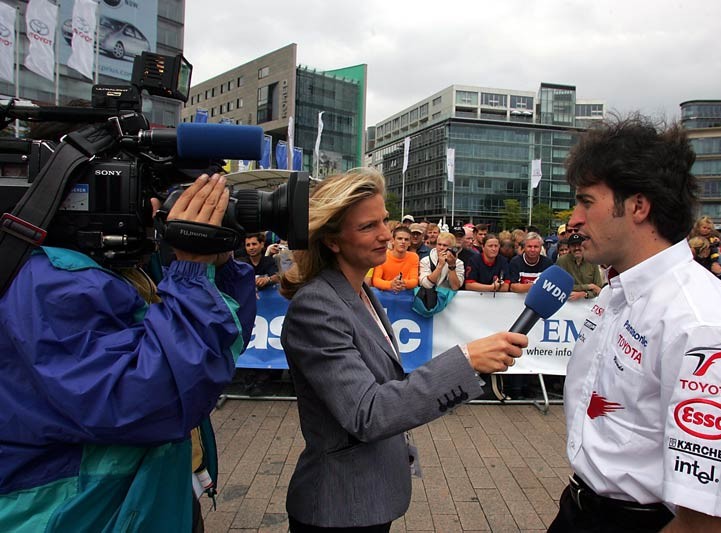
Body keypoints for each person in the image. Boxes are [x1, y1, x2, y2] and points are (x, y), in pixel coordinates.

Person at [548, 115, 721, 533]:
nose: (573, 219)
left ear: (637, 206)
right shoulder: (618, 292)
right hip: (579, 507)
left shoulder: (705, 326)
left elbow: (708, 523)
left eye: (586, 201)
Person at [0, 173, 257, 531]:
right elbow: (149, 402)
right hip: (77, 514)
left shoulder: (118, 267)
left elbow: (221, 348)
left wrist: (221, 266)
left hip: (144, 498)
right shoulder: (52, 281)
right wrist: (189, 270)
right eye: (146, 193)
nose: (156, 207)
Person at [278, 168, 527, 531]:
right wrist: (466, 360)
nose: (386, 235)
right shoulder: (316, 305)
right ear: (333, 240)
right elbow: (368, 412)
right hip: (339, 505)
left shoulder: (359, 292)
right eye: (368, 227)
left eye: (384, 220)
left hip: (369, 496)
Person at [556, 233, 604, 300]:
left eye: (579, 245)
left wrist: (584, 294)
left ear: (584, 246)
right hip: (568, 302)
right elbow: (560, 286)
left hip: (589, 302)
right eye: (573, 245)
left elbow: (598, 289)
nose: (577, 248)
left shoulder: (592, 261)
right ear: (569, 248)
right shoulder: (562, 261)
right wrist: (589, 286)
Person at [372, 226, 419, 293]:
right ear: (393, 241)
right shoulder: (382, 255)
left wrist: (403, 283)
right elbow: (376, 280)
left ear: (409, 243)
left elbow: (414, 281)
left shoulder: (414, 257)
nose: (403, 242)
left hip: (405, 294)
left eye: (406, 239)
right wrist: (391, 284)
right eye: (399, 238)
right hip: (385, 293)